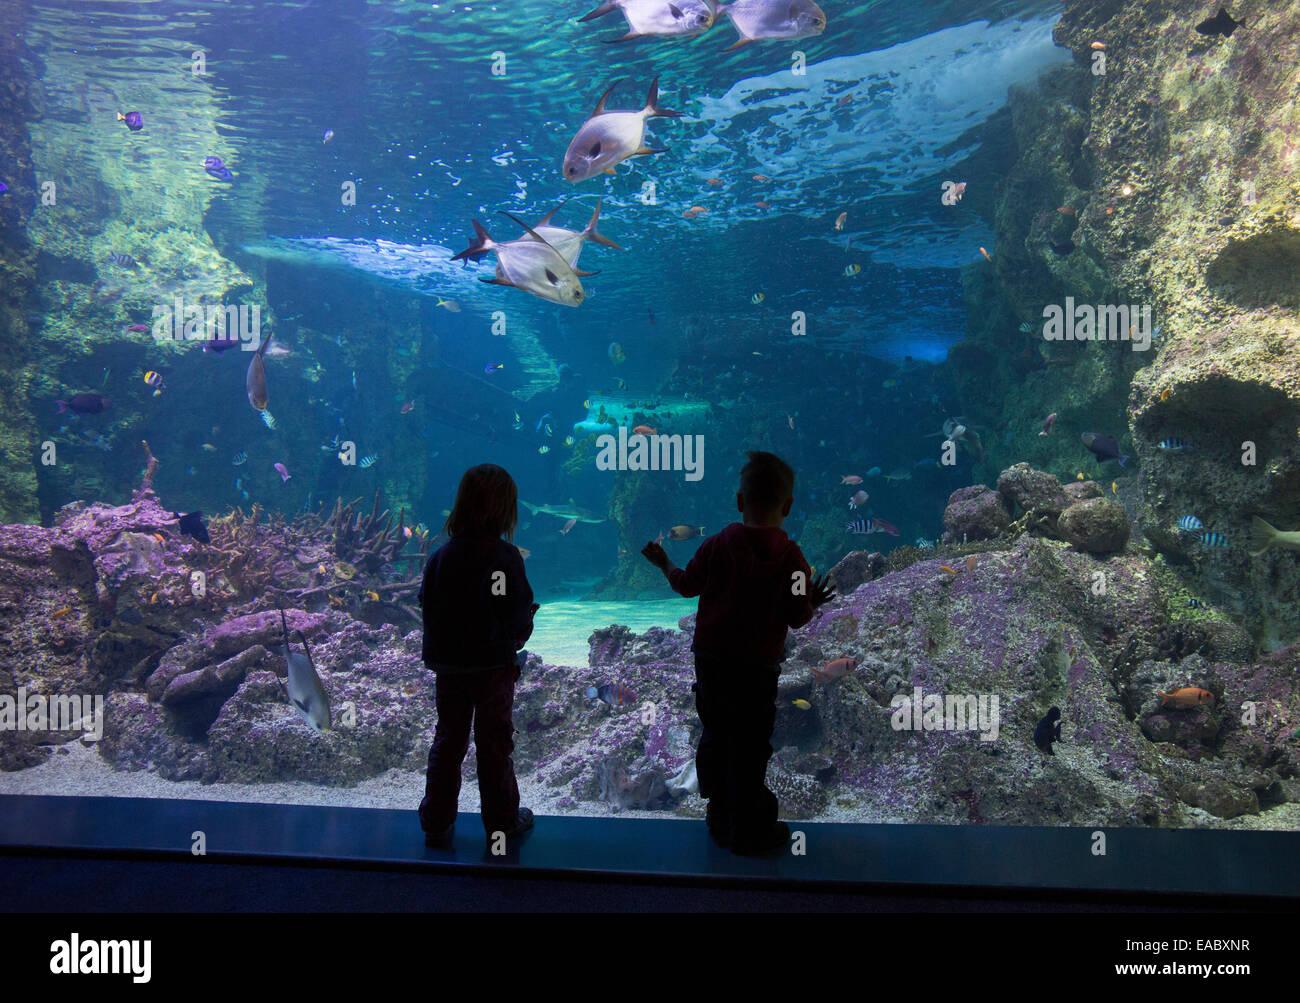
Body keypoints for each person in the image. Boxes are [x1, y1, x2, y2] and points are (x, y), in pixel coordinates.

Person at [642, 450, 835, 854]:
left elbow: (685, 586)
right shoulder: (794, 559)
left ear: (739, 501)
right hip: (757, 671)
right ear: (788, 506)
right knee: (751, 743)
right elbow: (798, 618)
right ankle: (749, 829)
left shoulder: (717, 544)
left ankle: (719, 812)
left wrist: (664, 563)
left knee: (716, 733)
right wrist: (812, 601)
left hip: (712, 665)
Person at [418, 464, 539, 847]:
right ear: (505, 509)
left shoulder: (441, 557)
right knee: (494, 745)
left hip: (450, 669)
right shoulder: (504, 558)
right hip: (492, 670)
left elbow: (428, 606)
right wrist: (524, 624)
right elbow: (513, 613)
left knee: (448, 740)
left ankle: (436, 823)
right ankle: (501, 827)